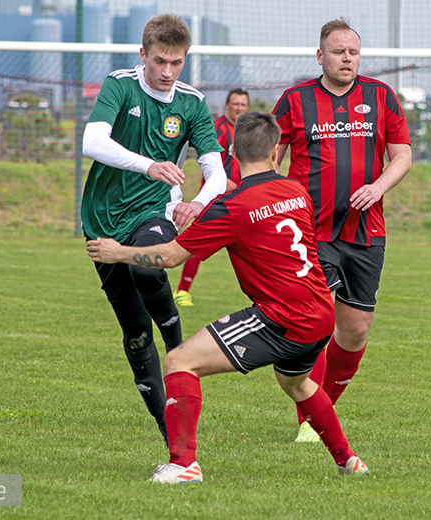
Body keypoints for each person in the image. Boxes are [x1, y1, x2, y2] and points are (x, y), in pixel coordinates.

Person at [87, 112, 370, 484]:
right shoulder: (297, 192)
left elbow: (170, 256)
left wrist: (118, 252)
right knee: (297, 384)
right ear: (275, 152)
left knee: (179, 361)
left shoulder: (233, 205)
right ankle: (349, 460)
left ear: (233, 152)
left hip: (284, 317)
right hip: (321, 310)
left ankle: (183, 465)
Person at [81, 13, 226, 444]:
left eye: (176, 62)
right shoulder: (120, 85)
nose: (167, 71)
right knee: (135, 332)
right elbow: (92, 141)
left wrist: (197, 203)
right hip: (102, 219)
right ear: (143, 54)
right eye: (160, 61)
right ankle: (168, 432)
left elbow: (216, 173)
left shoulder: (192, 103)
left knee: (146, 268)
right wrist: (148, 165)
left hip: (155, 210)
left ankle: (177, 346)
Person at [273, 17, 412, 442]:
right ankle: (311, 421)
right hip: (311, 232)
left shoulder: (381, 96)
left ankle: (321, 412)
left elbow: (402, 155)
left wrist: (378, 186)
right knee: (316, 322)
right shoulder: (295, 100)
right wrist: (275, 201)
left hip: (366, 232)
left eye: (353, 52)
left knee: (354, 332)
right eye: (338, 52)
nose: (347, 58)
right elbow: (268, 158)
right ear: (320, 56)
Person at [174, 87, 250, 307]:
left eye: (243, 104)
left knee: (253, 244)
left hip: (241, 200)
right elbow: (208, 162)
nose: (239, 108)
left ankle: (265, 295)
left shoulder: (247, 131)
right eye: (235, 104)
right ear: (227, 105)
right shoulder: (218, 128)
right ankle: (182, 291)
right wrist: (223, 182)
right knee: (198, 244)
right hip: (214, 199)